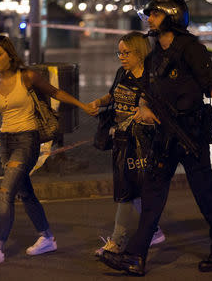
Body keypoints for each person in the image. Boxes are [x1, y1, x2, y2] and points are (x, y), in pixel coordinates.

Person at [100, 0, 212, 276]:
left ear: (171, 16)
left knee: (206, 194)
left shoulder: (191, 49)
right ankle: (136, 257)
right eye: (149, 14)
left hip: (191, 134)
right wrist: (143, 107)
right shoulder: (155, 53)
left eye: (155, 14)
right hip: (164, 136)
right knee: (151, 195)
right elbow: (146, 91)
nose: (149, 19)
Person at [0, 35, 97, 264]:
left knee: (6, 191)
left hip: (27, 140)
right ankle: (47, 238)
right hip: (5, 143)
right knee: (25, 192)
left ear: (10, 54)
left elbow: (56, 92)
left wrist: (82, 105)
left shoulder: (26, 77)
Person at [89, 31, 165, 257]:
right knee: (135, 191)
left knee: (126, 192)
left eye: (126, 52)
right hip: (122, 140)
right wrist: (98, 102)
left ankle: (116, 241)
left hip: (143, 142)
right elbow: (113, 96)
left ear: (140, 53)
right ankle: (155, 230)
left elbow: (159, 112)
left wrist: (144, 113)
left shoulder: (151, 78)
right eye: (119, 52)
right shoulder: (122, 73)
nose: (121, 57)